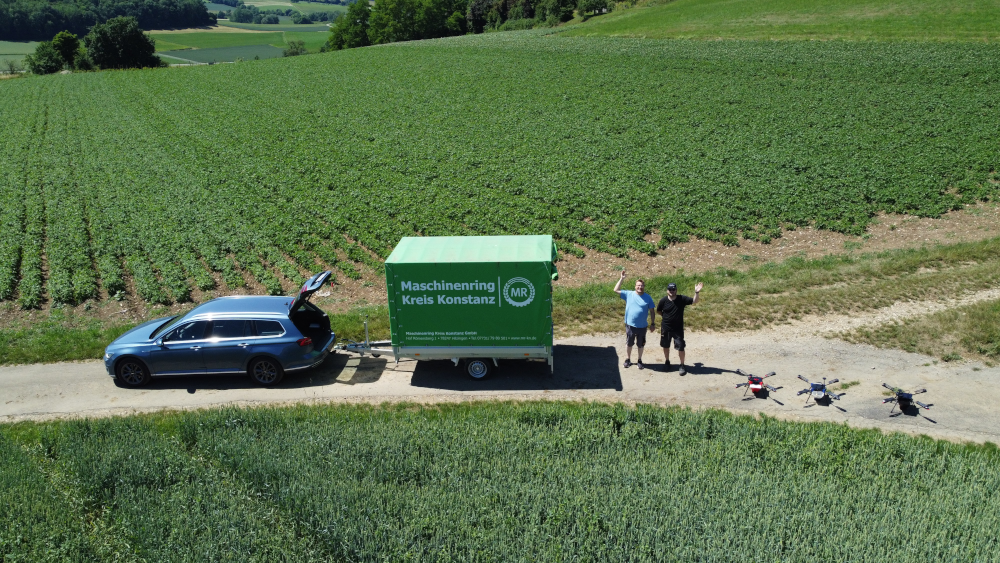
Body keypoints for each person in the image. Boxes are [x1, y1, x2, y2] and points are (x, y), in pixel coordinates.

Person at [656, 281, 703, 376]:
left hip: (678, 329)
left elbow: (695, 301)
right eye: (670, 289)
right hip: (666, 328)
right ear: (667, 290)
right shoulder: (663, 300)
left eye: (673, 289)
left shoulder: (682, 299)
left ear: (676, 290)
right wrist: (666, 318)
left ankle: (682, 365)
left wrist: (697, 292)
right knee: (665, 346)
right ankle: (667, 361)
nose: (672, 291)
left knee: (681, 347)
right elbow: (659, 311)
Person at [613, 270, 655, 369]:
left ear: (644, 287)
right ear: (635, 286)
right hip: (630, 325)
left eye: (641, 285)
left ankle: (639, 360)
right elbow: (615, 290)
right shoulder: (629, 294)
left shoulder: (648, 298)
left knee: (641, 344)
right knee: (629, 343)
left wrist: (653, 324)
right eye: (638, 285)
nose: (640, 287)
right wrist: (622, 279)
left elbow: (652, 312)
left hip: (642, 326)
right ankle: (628, 359)